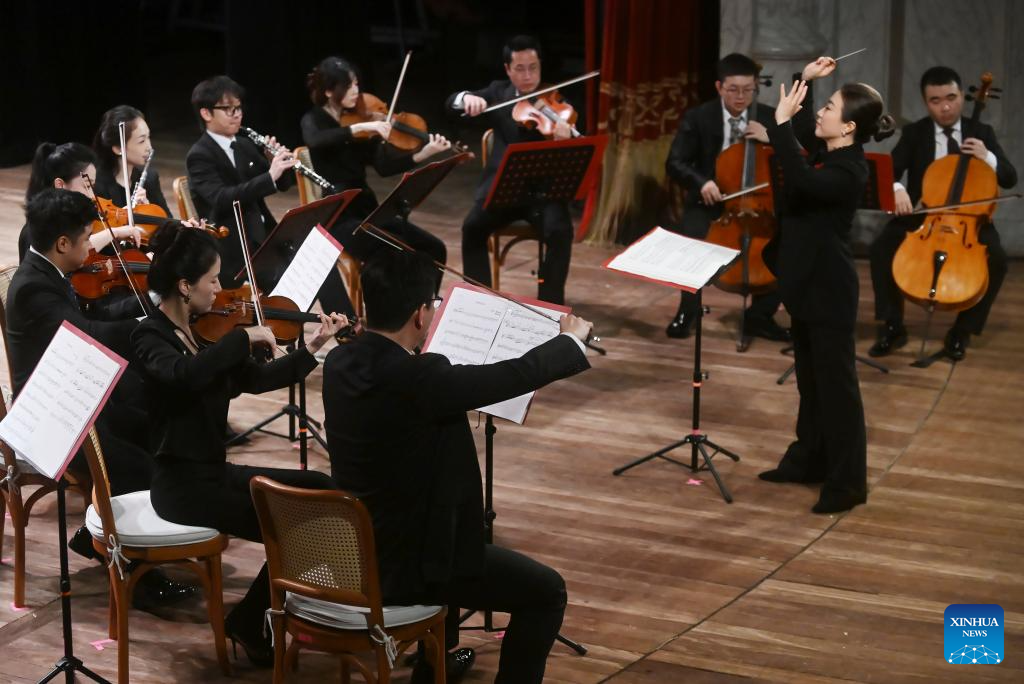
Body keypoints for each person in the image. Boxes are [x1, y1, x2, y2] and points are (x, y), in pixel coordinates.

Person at [323, 249, 593, 683]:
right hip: (409, 565)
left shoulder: (339, 363)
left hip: (355, 549)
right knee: (546, 592)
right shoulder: (420, 378)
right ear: (420, 315)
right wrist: (570, 341)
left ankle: (435, 665)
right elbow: (512, 374)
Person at [132, 222, 347, 666]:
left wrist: (312, 348)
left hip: (213, 472)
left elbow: (258, 378)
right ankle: (252, 620)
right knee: (302, 522)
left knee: (321, 487)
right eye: (212, 280)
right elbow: (184, 376)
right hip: (182, 487)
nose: (219, 289)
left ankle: (259, 617)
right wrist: (242, 337)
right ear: (185, 286)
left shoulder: (201, 334)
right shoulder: (150, 336)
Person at [8, 188, 194, 606]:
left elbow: (92, 316)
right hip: (51, 421)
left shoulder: (48, 272)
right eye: (85, 238)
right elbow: (87, 335)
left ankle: (97, 536)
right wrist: (152, 328)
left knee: (157, 428)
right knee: (136, 466)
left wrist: (150, 304)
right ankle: (135, 575)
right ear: (63, 244)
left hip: (77, 400)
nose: (91, 245)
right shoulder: (34, 287)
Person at [758, 57, 895, 514]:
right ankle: (809, 460)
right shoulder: (829, 151)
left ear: (849, 127)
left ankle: (847, 483)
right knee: (811, 384)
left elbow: (799, 174)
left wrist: (779, 125)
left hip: (829, 289)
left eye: (830, 107)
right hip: (806, 282)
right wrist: (807, 79)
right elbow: (803, 135)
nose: (821, 112)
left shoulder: (849, 170)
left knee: (838, 392)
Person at [867, 66, 1017, 360]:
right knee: (881, 248)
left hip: (971, 220)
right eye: (935, 101)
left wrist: (987, 156)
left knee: (997, 260)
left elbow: (1010, 178)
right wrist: (897, 188)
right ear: (926, 103)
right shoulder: (915, 133)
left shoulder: (981, 133)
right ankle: (893, 326)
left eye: (951, 98)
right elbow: (889, 172)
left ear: (962, 96)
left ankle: (962, 331)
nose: (945, 107)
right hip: (925, 216)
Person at [301, 55, 451, 315]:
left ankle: (422, 312)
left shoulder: (360, 119)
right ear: (329, 92)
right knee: (395, 250)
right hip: (339, 217)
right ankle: (392, 317)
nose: (356, 91)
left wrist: (423, 153)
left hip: (368, 211)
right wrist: (360, 127)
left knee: (434, 247)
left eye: (356, 84)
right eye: (348, 86)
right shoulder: (314, 119)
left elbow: (383, 167)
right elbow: (315, 140)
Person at [664, 52, 789, 342]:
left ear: (756, 86)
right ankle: (689, 310)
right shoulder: (699, 117)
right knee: (691, 239)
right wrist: (702, 182)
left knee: (788, 243)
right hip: (711, 203)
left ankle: (760, 315)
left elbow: (797, 158)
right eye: (733, 89)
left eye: (748, 89)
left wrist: (773, 138)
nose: (741, 97)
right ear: (719, 87)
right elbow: (675, 163)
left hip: (759, 204)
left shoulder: (770, 118)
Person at [445, 34, 575, 305]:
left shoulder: (556, 98)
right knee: (472, 227)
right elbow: (451, 103)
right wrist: (466, 98)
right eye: (520, 68)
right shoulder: (498, 93)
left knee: (560, 231)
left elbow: (576, 149)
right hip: (504, 191)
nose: (528, 76)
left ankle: (551, 307)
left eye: (533, 68)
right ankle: (481, 302)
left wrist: (566, 140)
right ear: (507, 69)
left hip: (544, 195)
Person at [186, 75, 298, 288]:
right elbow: (221, 198)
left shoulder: (244, 145)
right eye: (229, 109)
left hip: (264, 236)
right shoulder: (199, 155)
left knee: (316, 266)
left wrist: (276, 163)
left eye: (238, 108)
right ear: (206, 113)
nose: (237, 115)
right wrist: (270, 175)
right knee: (290, 282)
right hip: (234, 246)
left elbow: (281, 185)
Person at [19, 142, 145, 262]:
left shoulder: (79, 221)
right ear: (60, 185)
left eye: (92, 187)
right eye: (87, 186)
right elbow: (70, 254)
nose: (92, 196)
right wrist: (113, 233)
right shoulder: (37, 232)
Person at [92, 104, 172, 216]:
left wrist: (149, 210)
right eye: (141, 141)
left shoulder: (150, 178)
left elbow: (169, 222)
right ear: (118, 148)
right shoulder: (96, 185)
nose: (149, 147)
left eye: (148, 137)